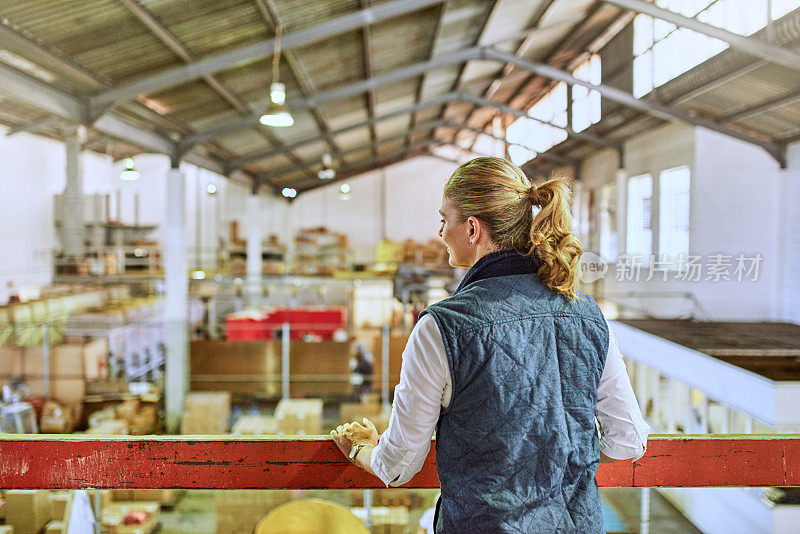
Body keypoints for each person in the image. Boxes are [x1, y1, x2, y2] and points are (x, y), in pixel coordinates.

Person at [332, 157, 649, 533]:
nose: (440, 232)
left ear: (471, 228)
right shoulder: (587, 314)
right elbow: (628, 441)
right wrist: (556, 460)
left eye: (443, 220)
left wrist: (361, 448)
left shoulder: (442, 326)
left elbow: (398, 465)